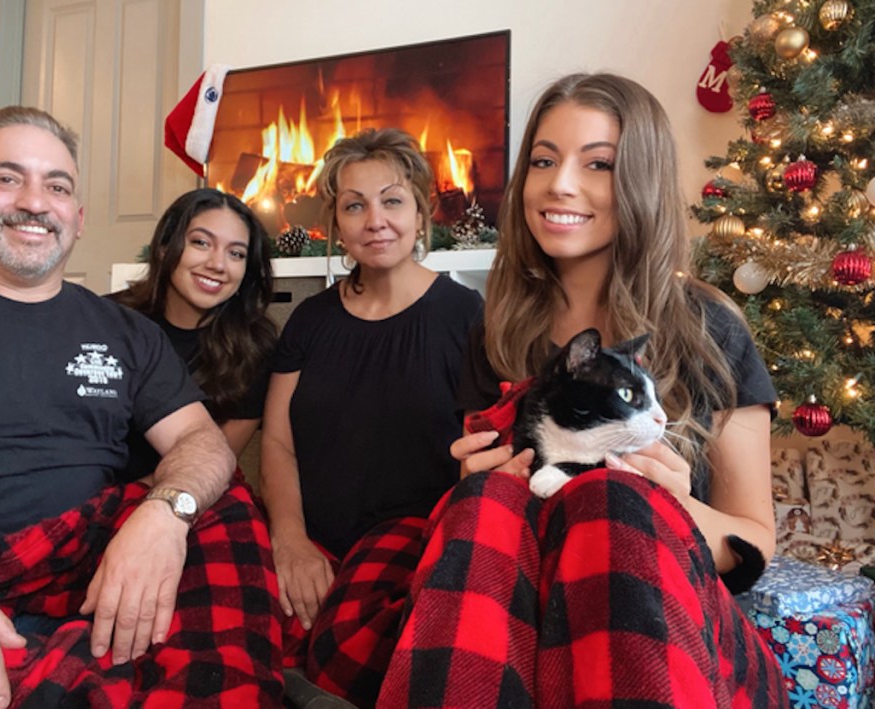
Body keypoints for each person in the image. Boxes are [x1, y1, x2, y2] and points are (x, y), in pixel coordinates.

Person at [376, 73, 788, 706]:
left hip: (669, 619)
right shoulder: (499, 331)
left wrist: (677, 509)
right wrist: (475, 482)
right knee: (485, 503)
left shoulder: (710, 328)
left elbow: (755, 537)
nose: (559, 183)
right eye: (543, 160)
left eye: (598, 163)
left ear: (641, 181)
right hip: (517, 617)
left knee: (611, 503)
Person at [0, 107, 283, 708]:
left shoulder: (127, 333)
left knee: (223, 503)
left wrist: (164, 516)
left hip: (86, 573)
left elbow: (200, 443)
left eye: (56, 186)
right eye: (7, 178)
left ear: (77, 219)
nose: (35, 201)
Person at [260, 127, 483, 706]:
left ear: (420, 211)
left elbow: (481, 445)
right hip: (308, 534)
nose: (374, 219)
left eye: (391, 200)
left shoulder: (465, 315)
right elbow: (277, 442)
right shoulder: (310, 320)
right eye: (354, 205)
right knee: (238, 638)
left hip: (410, 538)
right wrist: (289, 539)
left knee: (340, 657)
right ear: (336, 224)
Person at [111, 188, 277, 478]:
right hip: (88, 497)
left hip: (184, 496)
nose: (217, 264)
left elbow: (211, 468)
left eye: (236, 253)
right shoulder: (108, 320)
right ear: (164, 248)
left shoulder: (255, 346)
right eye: (201, 243)